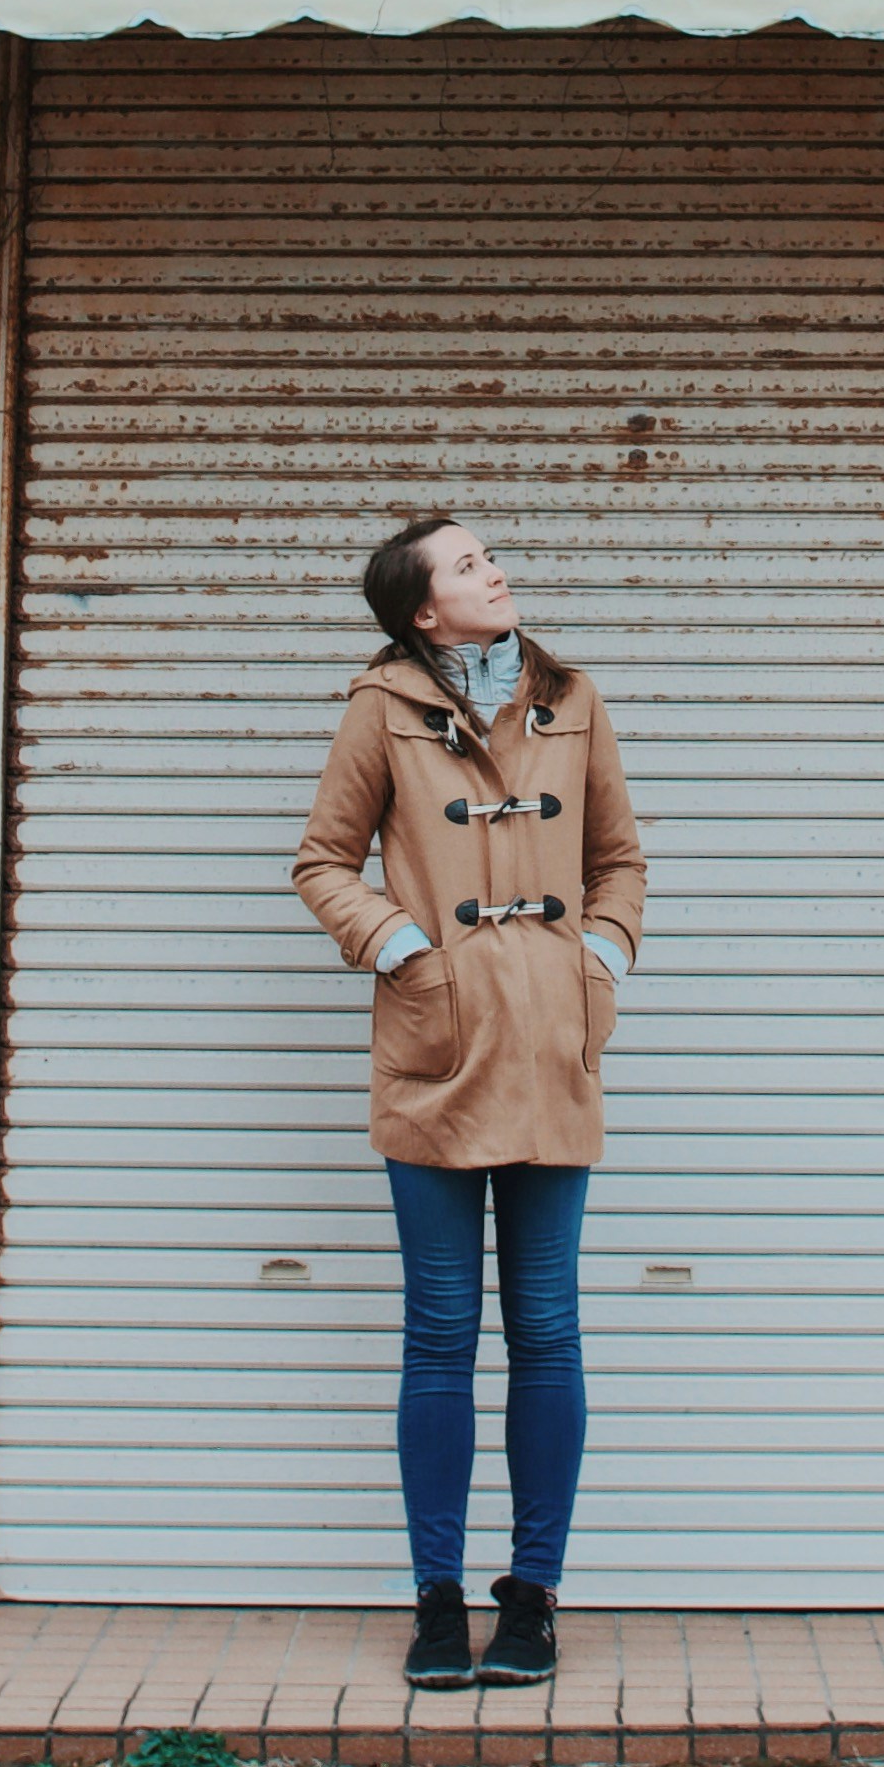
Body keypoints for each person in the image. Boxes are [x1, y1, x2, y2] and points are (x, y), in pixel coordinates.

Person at [291, 513, 646, 1692]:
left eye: (490, 552)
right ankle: (436, 1599)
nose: (493, 568)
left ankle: (532, 1595)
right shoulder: (379, 707)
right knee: (440, 1335)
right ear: (421, 611)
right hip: (435, 1044)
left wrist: (598, 961)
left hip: (549, 1039)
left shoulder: (573, 696)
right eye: (464, 563)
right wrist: (397, 944)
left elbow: (618, 858)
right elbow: (320, 860)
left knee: (545, 1330)